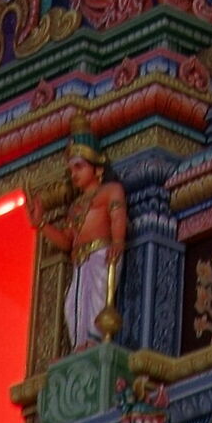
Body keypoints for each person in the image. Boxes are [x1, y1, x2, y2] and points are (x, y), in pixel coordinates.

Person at [27, 135, 128, 352]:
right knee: (73, 303)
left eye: (79, 167)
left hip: (102, 255)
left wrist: (118, 242)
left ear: (97, 169)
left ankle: (93, 341)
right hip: (79, 263)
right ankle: (78, 345)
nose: (73, 174)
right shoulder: (74, 207)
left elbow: (118, 217)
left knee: (96, 298)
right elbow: (66, 241)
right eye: (71, 170)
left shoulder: (110, 191)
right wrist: (42, 224)